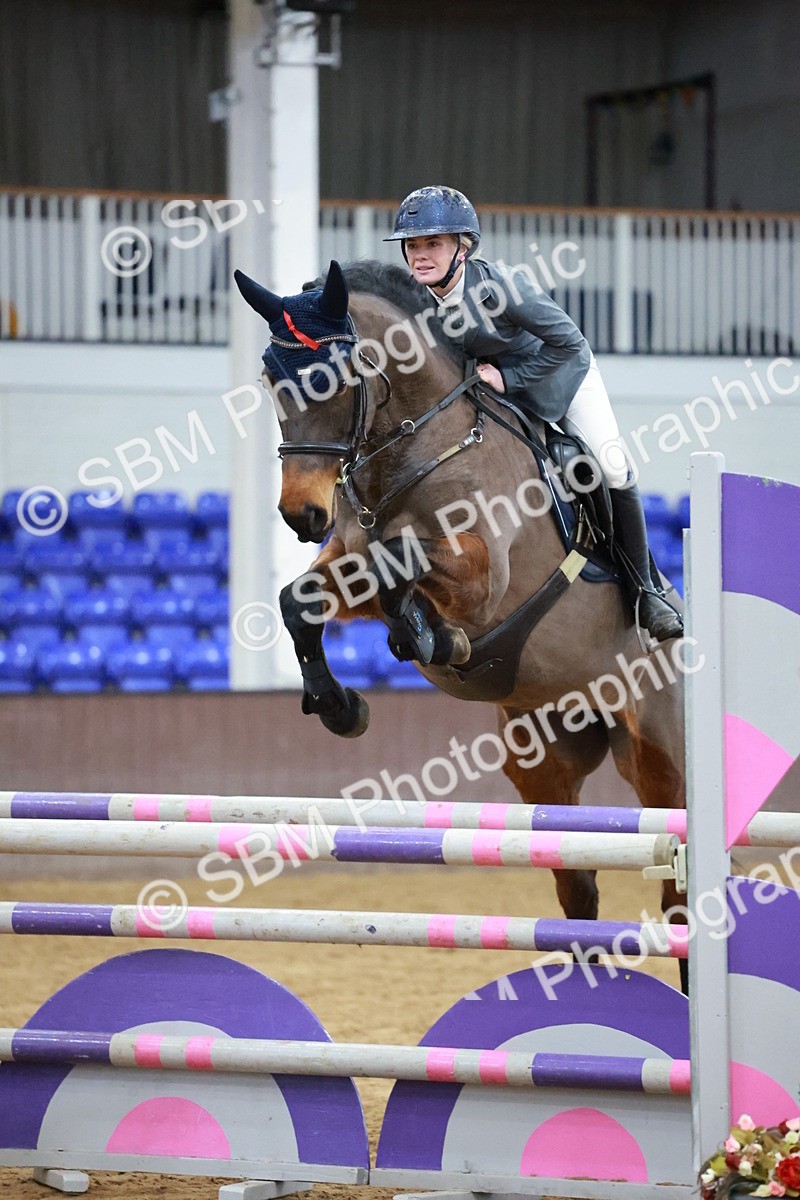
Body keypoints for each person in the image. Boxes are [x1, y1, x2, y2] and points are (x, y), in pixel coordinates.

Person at [385, 185, 683, 643]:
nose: (420, 256)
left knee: (611, 466)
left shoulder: (501, 287)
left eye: (433, 244)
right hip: (497, 394)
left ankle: (645, 591)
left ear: (463, 248)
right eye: (413, 245)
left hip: (562, 376)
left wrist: (510, 378)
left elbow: (568, 343)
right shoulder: (415, 304)